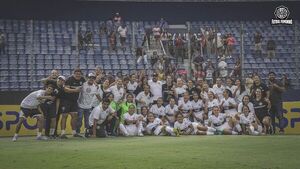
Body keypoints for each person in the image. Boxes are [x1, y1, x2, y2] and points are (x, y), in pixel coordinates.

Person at [60, 68, 86, 138]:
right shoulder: (69, 79)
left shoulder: (82, 79)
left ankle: (74, 133)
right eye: (76, 74)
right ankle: (62, 133)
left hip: (74, 101)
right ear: (73, 74)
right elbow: (66, 89)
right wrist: (75, 90)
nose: (78, 75)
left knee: (74, 116)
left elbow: (87, 84)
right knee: (64, 116)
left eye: (79, 74)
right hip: (66, 100)